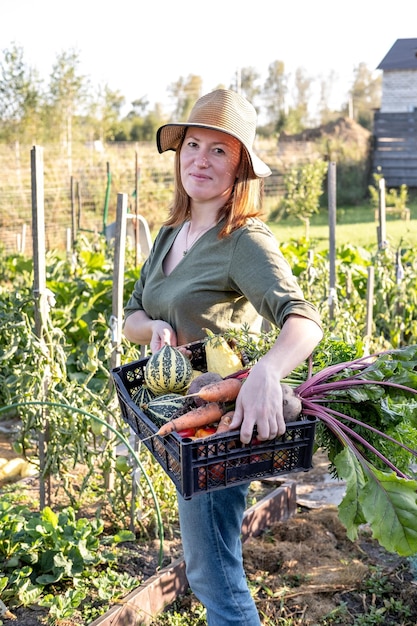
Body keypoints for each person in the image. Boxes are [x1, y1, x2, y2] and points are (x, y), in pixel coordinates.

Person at [123, 88, 323, 626]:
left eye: (219, 150)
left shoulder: (243, 240)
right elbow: (131, 317)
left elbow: (303, 321)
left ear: (240, 169)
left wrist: (266, 372)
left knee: (213, 575)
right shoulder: (170, 234)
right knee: (209, 564)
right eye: (193, 145)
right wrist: (156, 326)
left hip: (222, 430)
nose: (200, 159)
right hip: (183, 419)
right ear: (178, 154)